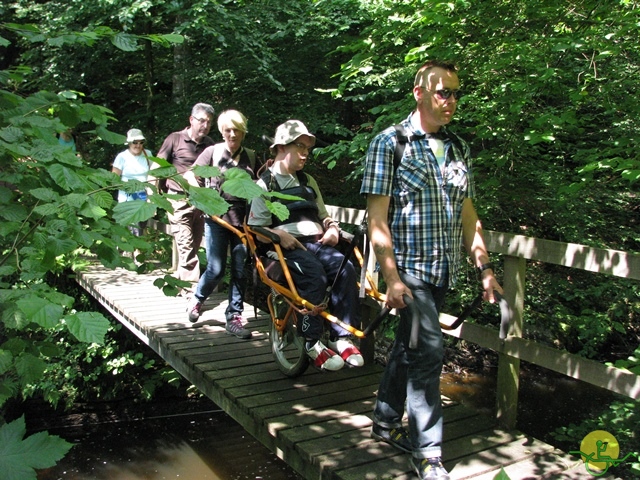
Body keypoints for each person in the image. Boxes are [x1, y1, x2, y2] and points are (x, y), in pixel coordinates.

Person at [360, 60, 503, 480]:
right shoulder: (389, 143)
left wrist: (485, 267)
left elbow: (468, 213)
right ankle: (428, 453)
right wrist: (391, 278)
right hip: (409, 272)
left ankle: (385, 420)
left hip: (443, 271)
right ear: (419, 92)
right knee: (430, 353)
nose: (451, 100)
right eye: (443, 92)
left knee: (411, 346)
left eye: (456, 93)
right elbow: (377, 220)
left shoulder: (459, 147)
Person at [248, 120, 363, 371]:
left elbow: (324, 214)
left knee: (346, 269)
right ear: (280, 147)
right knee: (314, 275)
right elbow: (256, 229)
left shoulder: (308, 181)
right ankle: (311, 340)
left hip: (315, 243)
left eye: (307, 148)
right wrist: (279, 234)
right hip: (280, 250)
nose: (305, 153)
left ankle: (340, 336)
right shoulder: (265, 185)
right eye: (299, 146)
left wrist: (332, 227)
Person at [183, 110, 257, 339]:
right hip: (216, 219)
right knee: (215, 269)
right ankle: (197, 299)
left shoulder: (252, 157)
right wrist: (200, 195)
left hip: (243, 222)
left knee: (239, 269)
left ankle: (234, 316)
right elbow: (189, 175)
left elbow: (260, 185)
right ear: (222, 131)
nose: (232, 134)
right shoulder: (212, 152)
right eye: (228, 130)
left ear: (243, 131)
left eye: (237, 130)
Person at [156, 103, 216, 294]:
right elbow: (158, 165)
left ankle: (182, 286)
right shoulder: (175, 139)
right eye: (201, 120)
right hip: (177, 200)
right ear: (191, 120)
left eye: (209, 122)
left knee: (195, 244)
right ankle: (192, 295)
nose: (205, 125)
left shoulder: (210, 144)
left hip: (200, 201)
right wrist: (154, 194)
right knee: (186, 246)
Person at [112, 128, 152, 238]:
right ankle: (128, 251)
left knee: (141, 226)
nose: (138, 145)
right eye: (135, 142)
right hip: (127, 197)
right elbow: (114, 178)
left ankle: (138, 251)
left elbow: (153, 174)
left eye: (141, 142)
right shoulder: (122, 157)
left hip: (143, 195)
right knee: (130, 227)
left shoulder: (148, 154)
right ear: (129, 143)